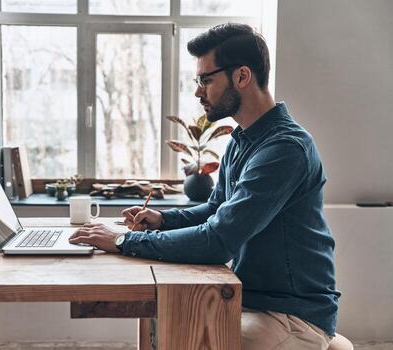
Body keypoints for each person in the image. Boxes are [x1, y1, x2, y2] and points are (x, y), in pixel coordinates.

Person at [69, 23, 340, 350]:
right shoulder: (243, 139)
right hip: (251, 298)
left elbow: (218, 240)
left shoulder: (284, 149)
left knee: (183, 339)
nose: (198, 92)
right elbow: (216, 209)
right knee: (164, 321)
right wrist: (163, 220)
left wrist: (126, 239)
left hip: (291, 314)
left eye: (206, 80)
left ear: (242, 77)